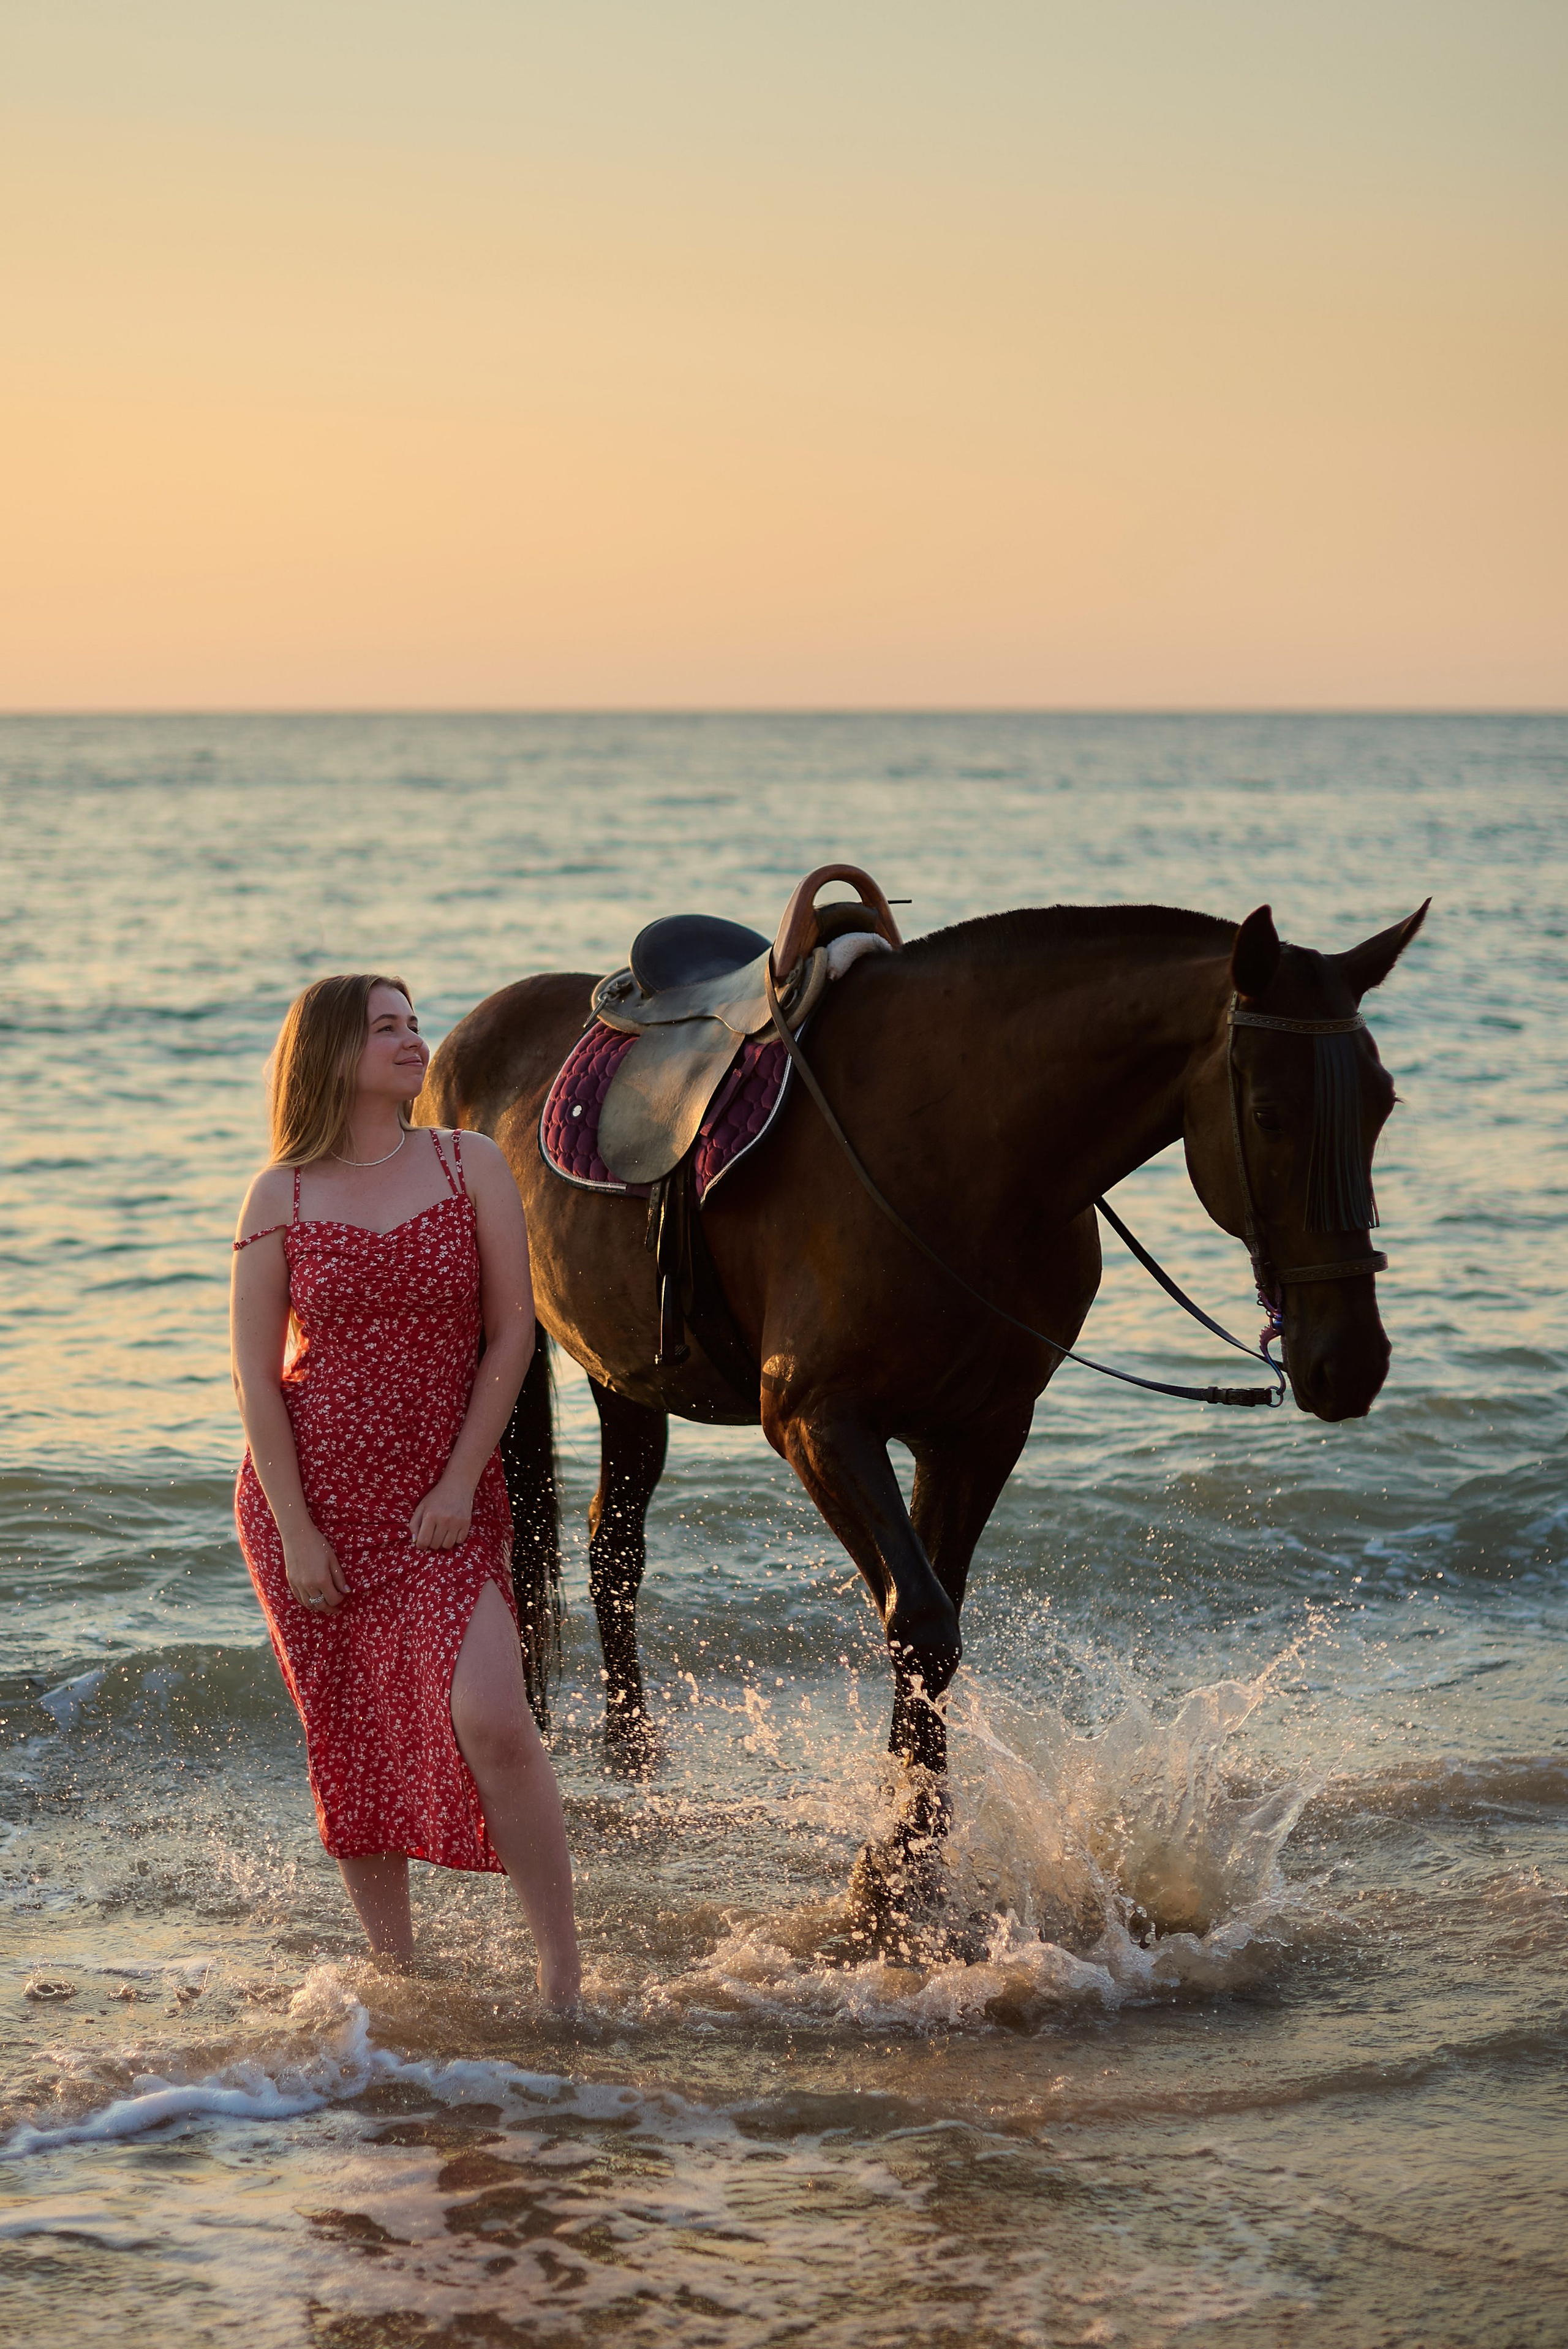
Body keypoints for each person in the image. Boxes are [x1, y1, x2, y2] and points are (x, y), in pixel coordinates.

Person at [229, 972, 579, 2007]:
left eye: (414, 1022)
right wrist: (296, 1529)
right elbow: (254, 1375)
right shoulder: (280, 1192)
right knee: (351, 1733)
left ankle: (560, 1967)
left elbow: (514, 1331)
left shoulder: (468, 1163)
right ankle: (397, 1976)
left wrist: (464, 1481)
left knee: (495, 1718)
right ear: (332, 1051)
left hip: (443, 1497)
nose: (413, 1038)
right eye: (387, 1026)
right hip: (312, 1503)